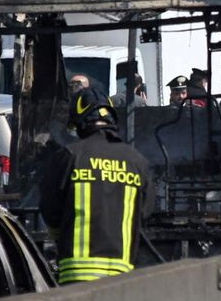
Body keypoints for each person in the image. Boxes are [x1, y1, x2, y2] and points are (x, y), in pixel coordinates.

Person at [39, 87, 152, 285]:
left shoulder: (69, 156)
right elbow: (145, 212)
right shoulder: (137, 162)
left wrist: (60, 237)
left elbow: (49, 209)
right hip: (122, 276)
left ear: (79, 123)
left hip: (76, 277)